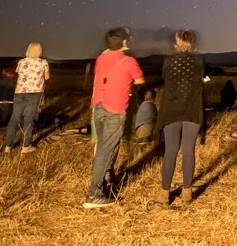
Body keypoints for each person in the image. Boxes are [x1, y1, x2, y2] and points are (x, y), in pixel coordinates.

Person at [84, 28, 145, 209]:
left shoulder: (100, 59)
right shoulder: (129, 61)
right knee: (106, 150)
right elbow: (140, 80)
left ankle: (105, 181)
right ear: (124, 42)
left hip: (98, 107)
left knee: (104, 148)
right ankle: (93, 194)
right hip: (115, 109)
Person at [156, 30, 205, 207]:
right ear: (192, 44)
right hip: (192, 109)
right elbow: (201, 80)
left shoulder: (169, 61)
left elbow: (166, 79)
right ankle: (186, 193)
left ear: (177, 43)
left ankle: (164, 195)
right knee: (188, 151)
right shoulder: (199, 60)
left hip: (172, 109)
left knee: (171, 151)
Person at [3, 42, 50, 154]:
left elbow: (19, 73)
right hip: (34, 93)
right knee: (29, 119)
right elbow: (47, 77)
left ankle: (8, 146)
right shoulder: (43, 62)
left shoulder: (21, 62)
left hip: (20, 92)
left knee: (14, 118)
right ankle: (26, 146)